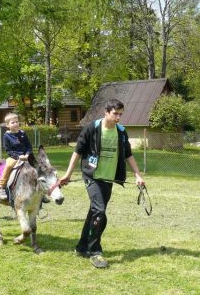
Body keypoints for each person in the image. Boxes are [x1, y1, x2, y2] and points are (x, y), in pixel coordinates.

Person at [59, 99, 145, 269]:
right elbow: (77, 152)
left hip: (109, 178)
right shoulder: (92, 128)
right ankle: (95, 251)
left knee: (94, 212)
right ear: (106, 112)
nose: (118, 117)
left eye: (121, 114)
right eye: (115, 114)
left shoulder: (121, 131)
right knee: (100, 212)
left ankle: (82, 247)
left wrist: (137, 175)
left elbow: (128, 154)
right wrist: (68, 174)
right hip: (92, 176)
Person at [0, 112, 32, 200]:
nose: (16, 123)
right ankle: (2, 187)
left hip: (26, 156)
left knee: (37, 167)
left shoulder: (23, 133)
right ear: (7, 125)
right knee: (8, 166)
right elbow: (8, 150)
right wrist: (18, 157)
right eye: (13, 122)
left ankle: (39, 188)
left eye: (17, 121)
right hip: (14, 157)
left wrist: (27, 154)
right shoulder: (6, 136)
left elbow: (29, 146)